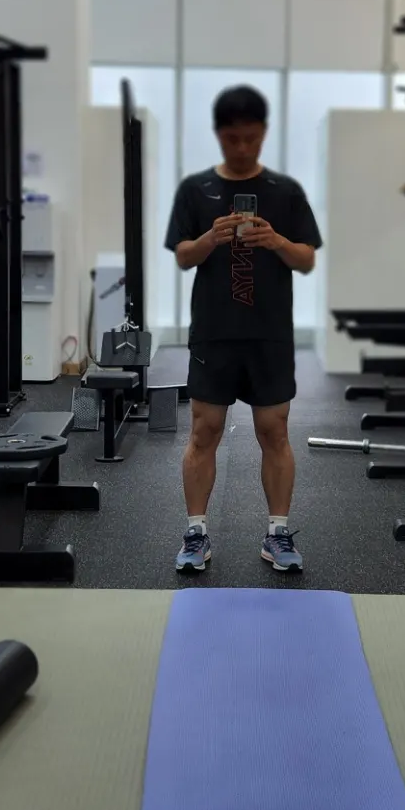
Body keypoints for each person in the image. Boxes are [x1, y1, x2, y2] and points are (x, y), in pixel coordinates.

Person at [164, 85, 323, 575]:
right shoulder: (195, 189)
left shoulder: (285, 191)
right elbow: (183, 256)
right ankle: (196, 533)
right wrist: (211, 237)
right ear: (219, 135)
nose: (241, 147)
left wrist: (275, 240)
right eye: (232, 139)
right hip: (214, 331)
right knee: (204, 430)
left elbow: (307, 259)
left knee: (274, 431)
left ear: (263, 134)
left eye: (250, 138)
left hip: (268, 333)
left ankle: (278, 533)